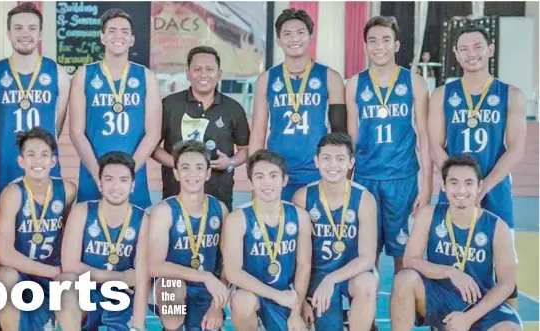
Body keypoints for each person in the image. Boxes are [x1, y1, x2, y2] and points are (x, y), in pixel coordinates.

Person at [428, 24, 526, 305]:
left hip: (495, 191)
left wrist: (482, 187)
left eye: (478, 47)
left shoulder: (512, 94)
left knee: (504, 271)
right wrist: (458, 186)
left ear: (490, 50)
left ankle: (509, 322)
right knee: (452, 261)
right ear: (456, 55)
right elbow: (436, 145)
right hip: (455, 193)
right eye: (465, 49)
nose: (472, 54)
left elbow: (516, 149)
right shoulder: (442, 95)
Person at [390, 155, 521, 330]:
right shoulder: (428, 215)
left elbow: (507, 283)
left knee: (510, 328)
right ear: (444, 186)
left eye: (468, 183)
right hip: (438, 297)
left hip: (479, 302)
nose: (461, 190)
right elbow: (410, 261)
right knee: (404, 279)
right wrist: (450, 272)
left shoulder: (498, 227)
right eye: (454, 183)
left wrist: (468, 318)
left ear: (479, 186)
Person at [345, 16, 433, 273]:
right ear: (365, 46)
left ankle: (404, 315)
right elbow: (352, 138)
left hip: (402, 181)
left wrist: (427, 185)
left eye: (385, 40)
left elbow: (425, 137)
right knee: (365, 260)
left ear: (396, 45)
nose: (379, 46)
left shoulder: (414, 82)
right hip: (366, 179)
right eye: (372, 41)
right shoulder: (354, 85)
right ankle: (365, 316)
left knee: (405, 260)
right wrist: (347, 182)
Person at [249, 8, 347, 202]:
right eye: (287, 34)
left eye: (301, 32)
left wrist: (339, 174)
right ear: (278, 41)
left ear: (310, 36)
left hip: (317, 170)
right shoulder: (266, 79)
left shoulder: (330, 77)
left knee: (315, 229)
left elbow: (339, 133)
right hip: (276, 170)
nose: (294, 38)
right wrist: (255, 175)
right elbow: (258, 132)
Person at [69, 8, 161, 210]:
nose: (118, 35)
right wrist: (99, 175)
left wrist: (128, 175)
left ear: (132, 39)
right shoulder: (83, 75)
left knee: (135, 235)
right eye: (111, 30)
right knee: (91, 234)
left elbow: (153, 132)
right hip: (93, 174)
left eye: (124, 31)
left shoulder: (146, 77)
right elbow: (76, 132)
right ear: (102, 37)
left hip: (134, 173)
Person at [0, 3, 69, 197]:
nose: (25, 34)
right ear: (9, 34)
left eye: (32, 28)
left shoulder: (58, 74)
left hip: (44, 169)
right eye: (18, 28)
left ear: (40, 34)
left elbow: (56, 126)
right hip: (4, 170)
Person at [0, 127, 76, 331]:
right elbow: (4, 254)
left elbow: (69, 239)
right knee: (4, 276)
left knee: (71, 281)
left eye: (44, 155)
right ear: (21, 161)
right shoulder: (12, 193)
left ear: (53, 161)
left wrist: (61, 271)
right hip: (22, 270)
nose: (38, 161)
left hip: (54, 271)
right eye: (31, 155)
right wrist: (51, 271)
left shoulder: (67, 190)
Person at [292, 133, 378, 330]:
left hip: (352, 273)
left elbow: (367, 259)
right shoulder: (303, 198)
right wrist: (301, 301)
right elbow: (299, 258)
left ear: (351, 163)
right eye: (326, 158)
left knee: (367, 283)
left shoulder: (364, 199)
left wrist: (332, 279)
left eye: (340, 159)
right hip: (318, 275)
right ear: (316, 161)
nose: (333, 165)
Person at [57, 152, 149, 331]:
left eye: (123, 180)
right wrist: (120, 277)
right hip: (87, 292)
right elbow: (69, 266)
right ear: (100, 184)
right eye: (109, 179)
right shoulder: (82, 211)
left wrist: (138, 326)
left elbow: (142, 276)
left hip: (123, 296)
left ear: (132, 185)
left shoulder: (143, 219)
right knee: (64, 282)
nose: (116, 186)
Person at [223, 150, 311, 331]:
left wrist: (296, 312)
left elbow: (304, 266)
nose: (267, 183)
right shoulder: (237, 218)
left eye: (273, 176)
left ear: (284, 180)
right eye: (259, 176)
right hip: (252, 292)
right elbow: (233, 273)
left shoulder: (300, 216)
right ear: (251, 182)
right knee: (241, 302)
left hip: (286, 294)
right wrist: (276, 295)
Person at [153, 46, 250, 211]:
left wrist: (230, 162)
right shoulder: (169, 105)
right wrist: (178, 164)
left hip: (219, 197)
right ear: (188, 73)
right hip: (174, 196)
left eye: (209, 69)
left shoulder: (233, 109)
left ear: (219, 74)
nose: (203, 74)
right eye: (197, 69)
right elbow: (152, 147)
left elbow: (246, 149)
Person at [149, 140, 230, 330]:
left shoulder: (220, 209)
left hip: (207, 291)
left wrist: (216, 307)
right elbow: (154, 266)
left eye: (199, 167)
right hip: (172, 288)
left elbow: (229, 264)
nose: (192, 173)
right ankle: (171, 328)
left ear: (208, 173)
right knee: (171, 287)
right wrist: (205, 276)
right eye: (185, 167)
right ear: (176, 173)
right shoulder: (164, 211)